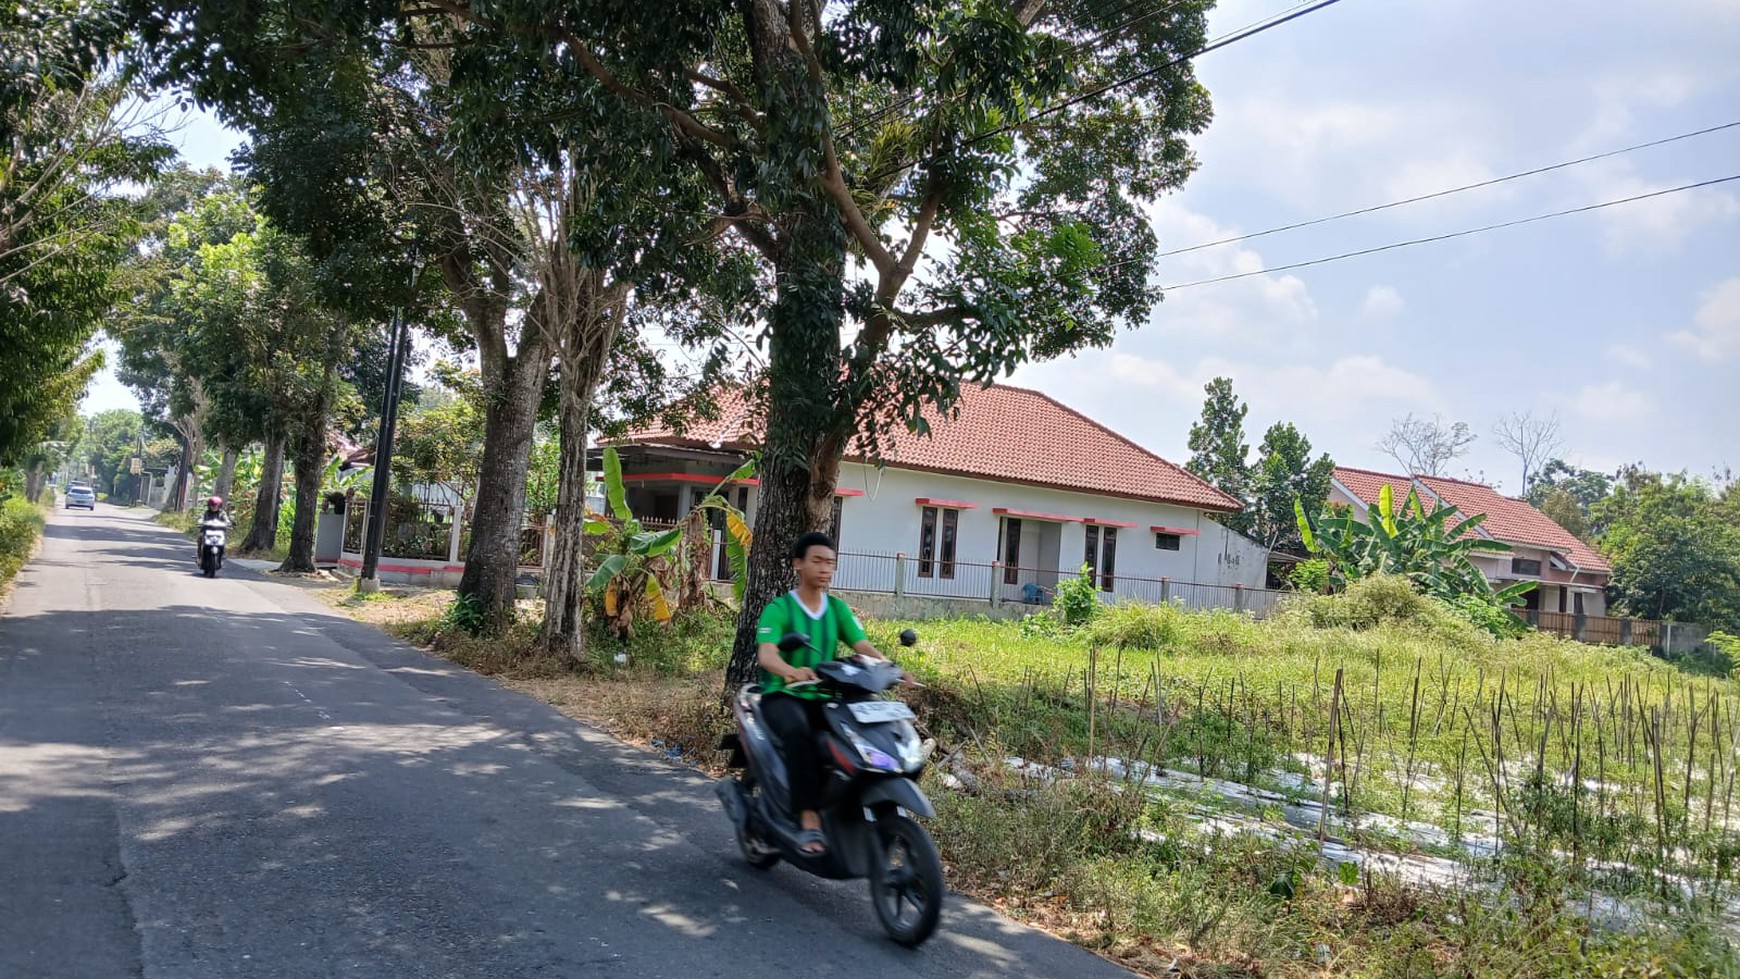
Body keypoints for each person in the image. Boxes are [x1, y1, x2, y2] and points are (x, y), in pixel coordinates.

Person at [755, 531, 905, 855]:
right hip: (784, 696)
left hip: (826, 697)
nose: (825, 569)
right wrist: (792, 671)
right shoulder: (779, 608)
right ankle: (809, 820)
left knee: (861, 736)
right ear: (798, 564)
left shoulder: (837, 608)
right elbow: (767, 655)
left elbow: (860, 644)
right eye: (818, 561)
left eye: (831, 563)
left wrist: (890, 666)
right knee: (799, 735)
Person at [195, 496, 231, 563]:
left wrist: (228, 524)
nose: (214, 507)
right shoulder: (206, 513)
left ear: (219, 506)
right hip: (207, 531)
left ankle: (222, 553)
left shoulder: (222, 513)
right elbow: (201, 518)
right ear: (209, 505)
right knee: (200, 538)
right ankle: (199, 554)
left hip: (219, 532)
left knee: (225, 538)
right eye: (212, 505)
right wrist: (200, 522)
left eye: (216, 506)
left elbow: (227, 520)